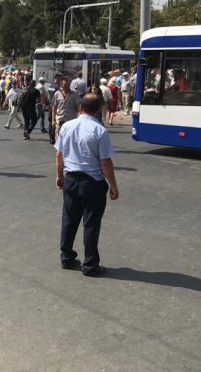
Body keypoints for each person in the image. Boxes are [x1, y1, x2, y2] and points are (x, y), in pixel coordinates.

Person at [54, 93, 119, 276]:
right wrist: (113, 185)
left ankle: (66, 257)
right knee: (90, 223)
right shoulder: (99, 131)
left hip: (71, 179)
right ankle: (90, 264)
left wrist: (59, 176)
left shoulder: (67, 126)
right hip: (92, 182)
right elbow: (105, 162)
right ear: (98, 109)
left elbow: (59, 154)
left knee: (69, 220)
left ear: (79, 107)